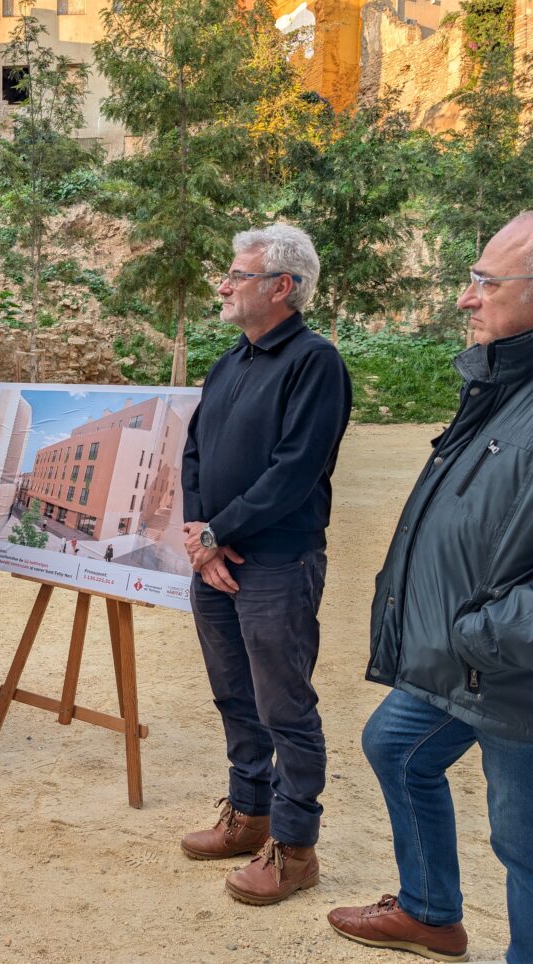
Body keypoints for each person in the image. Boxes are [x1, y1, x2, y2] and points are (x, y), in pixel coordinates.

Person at [328, 212, 533, 964]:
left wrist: (478, 633)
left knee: (526, 849)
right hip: (474, 661)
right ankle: (429, 912)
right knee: (395, 745)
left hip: (514, 674)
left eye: (486, 281)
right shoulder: (505, 383)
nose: (465, 298)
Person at [179, 224, 352, 905]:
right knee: (233, 696)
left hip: (278, 565)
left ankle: (296, 846)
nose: (223, 284)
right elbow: (193, 451)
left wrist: (220, 531)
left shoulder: (315, 363)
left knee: (285, 707)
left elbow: (296, 471)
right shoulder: (231, 362)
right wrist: (202, 537)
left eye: (238, 274)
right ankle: (248, 815)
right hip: (217, 563)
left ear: (283, 287)